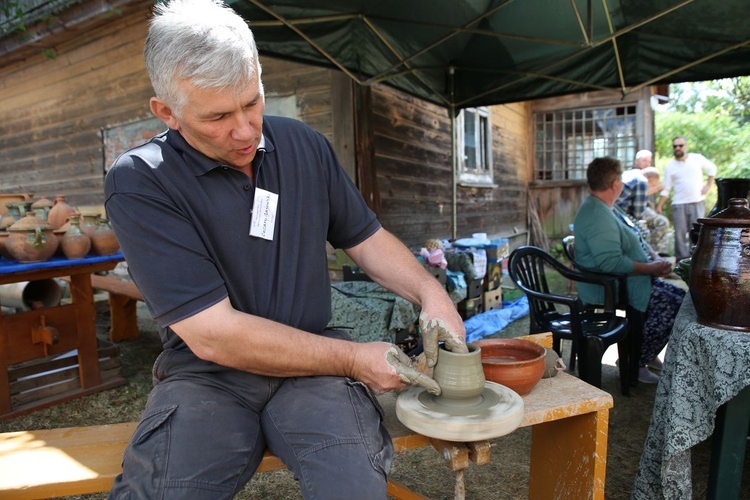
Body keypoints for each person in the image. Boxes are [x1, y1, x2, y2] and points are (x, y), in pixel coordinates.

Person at [104, 0, 467, 498]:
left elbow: (367, 240)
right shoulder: (142, 181)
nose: (245, 130)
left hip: (315, 371)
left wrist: (432, 294)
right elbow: (214, 336)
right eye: (217, 116)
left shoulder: (303, 145)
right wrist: (354, 359)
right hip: (209, 377)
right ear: (167, 111)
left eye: (251, 102)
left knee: (354, 488)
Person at [573, 157, 685, 384]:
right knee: (673, 305)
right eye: (621, 181)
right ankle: (636, 361)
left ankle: (646, 352)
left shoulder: (608, 208)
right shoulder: (596, 214)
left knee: (681, 297)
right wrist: (651, 268)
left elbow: (636, 238)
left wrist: (654, 258)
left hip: (628, 279)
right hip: (609, 285)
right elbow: (610, 264)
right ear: (615, 184)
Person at [656, 136, 717, 261]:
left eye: (680, 145)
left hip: (697, 201)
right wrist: (659, 205)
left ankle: (697, 261)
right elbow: (666, 187)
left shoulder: (696, 158)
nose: (678, 148)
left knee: (697, 233)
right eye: (675, 146)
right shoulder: (670, 166)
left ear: (686, 146)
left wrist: (708, 185)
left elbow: (712, 169)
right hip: (679, 203)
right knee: (679, 235)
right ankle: (681, 262)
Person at [616, 149, 652, 219]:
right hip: (622, 215)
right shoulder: (641, 179)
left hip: (615, 211)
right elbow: (638, 213)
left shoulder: (628, 173)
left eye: (649, 162)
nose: (647, 164)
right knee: (662, 222)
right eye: (644, 160)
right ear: (636, 161)